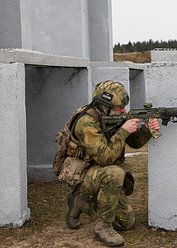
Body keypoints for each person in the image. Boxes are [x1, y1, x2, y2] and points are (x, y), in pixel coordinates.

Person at [64, 80, 160, 247]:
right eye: (119, 108)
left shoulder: (112, 116)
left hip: (101, 173)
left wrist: (147, 130)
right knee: (115, 173)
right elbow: (104, 158)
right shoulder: (86, 122)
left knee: (126, 223)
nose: (123, 110)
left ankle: (80, 202)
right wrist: (123, 131)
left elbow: (135, 143)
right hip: (83, 174)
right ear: (103, 105)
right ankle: (103, 227)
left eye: (124, 107)